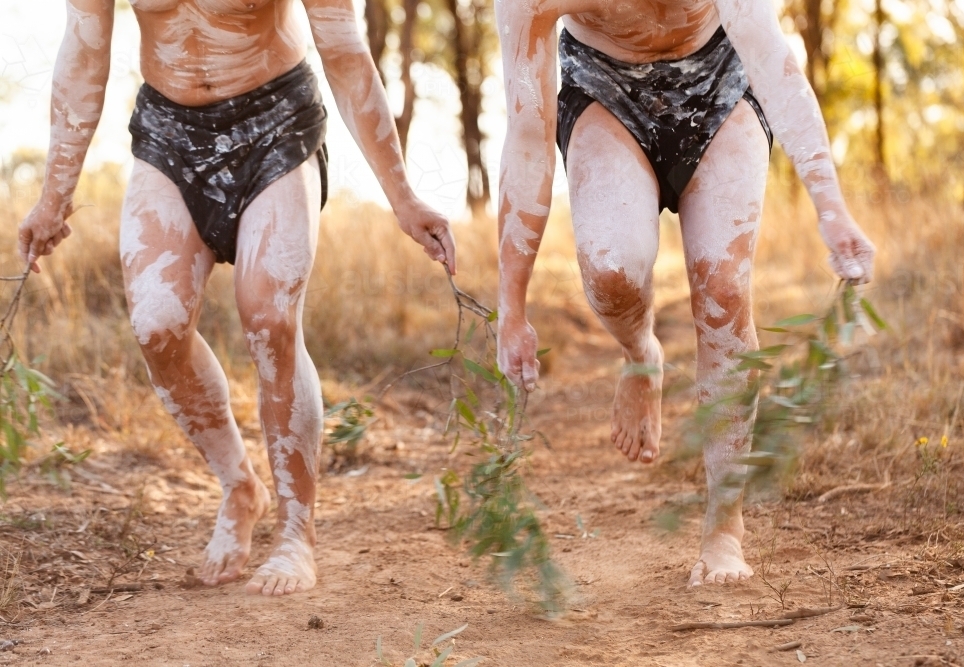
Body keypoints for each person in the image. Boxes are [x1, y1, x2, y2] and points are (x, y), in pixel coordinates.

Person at [17, 0, 456, 597]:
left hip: (277, 124)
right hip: (169, 134)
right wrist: (53, 196)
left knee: (271, 318)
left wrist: (403, 196)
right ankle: (237, 485)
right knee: (157, 326)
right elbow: (84, 53)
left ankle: (297, 535)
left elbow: (347, 54)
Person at [494, 0, 875, 586]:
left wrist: (832, 209)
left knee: (723, 291)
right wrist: (510, 308)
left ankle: (725, 527)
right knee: (612, 273)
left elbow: (773, 60)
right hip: (603, 87)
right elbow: (527, 133)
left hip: (721, 75)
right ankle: (641, 355)